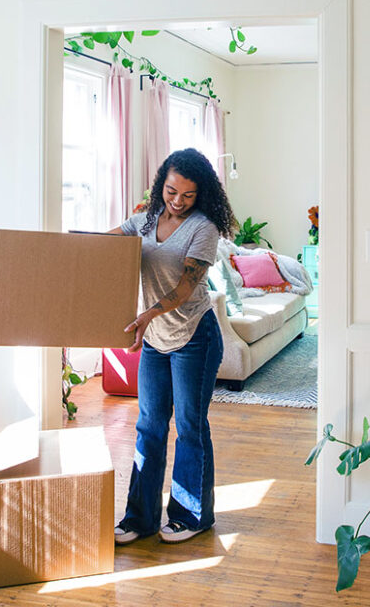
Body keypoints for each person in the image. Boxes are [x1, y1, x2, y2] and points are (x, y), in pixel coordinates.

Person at [108, 147, 237, 545]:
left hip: (194, 337)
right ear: (161, 183)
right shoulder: (147, 219)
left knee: (190, 428)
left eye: (187, 195)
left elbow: (185, 287)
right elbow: (106, 243)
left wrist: (146, 316)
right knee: (148, 427)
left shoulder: (204, 228)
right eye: (171, 191)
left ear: (202, 195)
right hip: (156, 341)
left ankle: (192, 515)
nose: (177, 201)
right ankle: (140, 518)